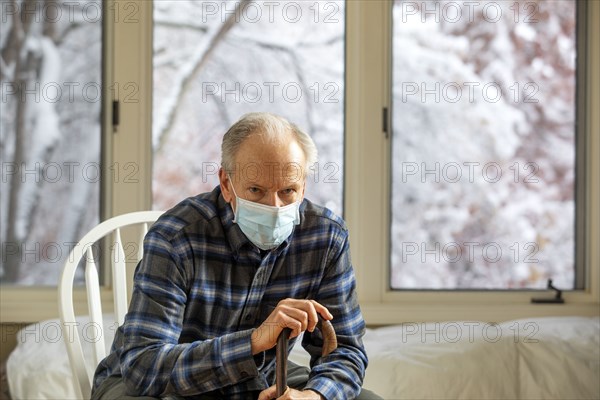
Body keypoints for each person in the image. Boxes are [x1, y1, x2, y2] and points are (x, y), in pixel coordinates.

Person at [92, 113, 381, 400]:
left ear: (303, 185)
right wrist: (254, 341)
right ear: (227, 184)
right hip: (154, 383)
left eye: (288, 191)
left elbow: (346, 350)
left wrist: (315, 396)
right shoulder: (176, 237)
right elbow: (144, 369)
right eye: (256, 190)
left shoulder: (326, 236)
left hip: (257, 377)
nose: (274, 206)